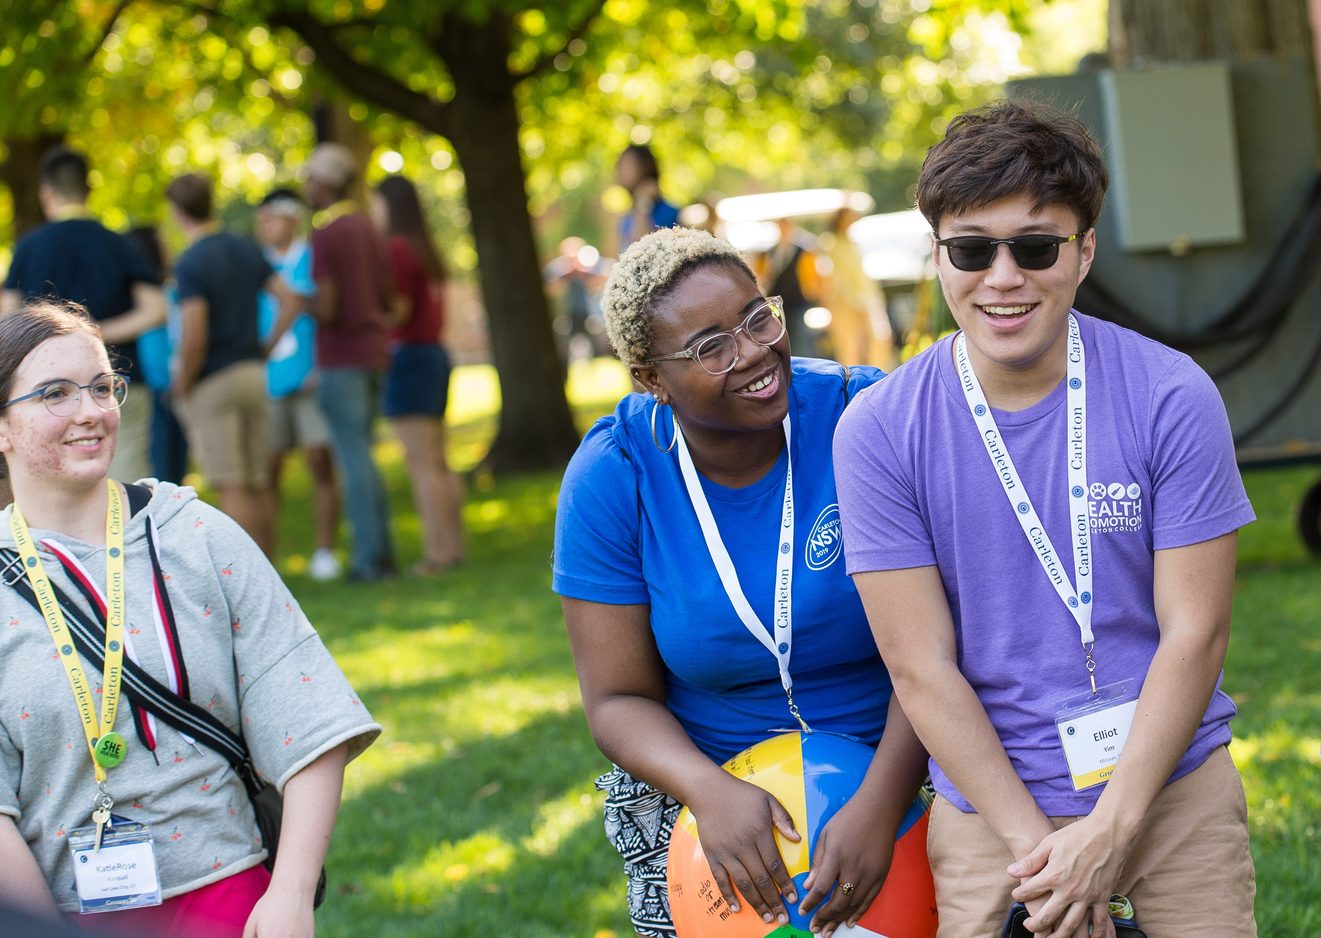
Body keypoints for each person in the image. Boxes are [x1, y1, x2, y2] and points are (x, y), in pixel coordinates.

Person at [833, 100, 1258, 937]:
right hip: (994, 816)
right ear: (936, 255)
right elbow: (921, 671)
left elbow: (1195, 635)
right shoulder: (879, 429)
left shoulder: (1170, 396)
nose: (1002, 277)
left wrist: (1111, 830)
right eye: (970, 249)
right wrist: (1047, 863)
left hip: (1172, 786)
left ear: (1083, 250)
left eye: (1035, 247)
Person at [554, 226, 928, 938]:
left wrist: (882, 800)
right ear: (650, 379)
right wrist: (709, 793)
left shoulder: (863, 414)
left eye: (757, 318)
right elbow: (616, 699)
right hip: (709, 788)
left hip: (907, 754)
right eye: (710, 347)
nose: (754, 352)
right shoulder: (615, 474)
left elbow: (942, 643)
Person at [0, 301, 380, 935]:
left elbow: (311, 721)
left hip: (229, 895)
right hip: (64, 917)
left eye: (102, 387)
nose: (91, 411)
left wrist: (288, 894)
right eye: (55, 394)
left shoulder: (197, 535)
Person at [2, 145, 167, 485]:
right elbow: (156, 308)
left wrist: (71, 334)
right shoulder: (119, 243)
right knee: (124, 485)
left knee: (47, 483)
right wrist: (96, 333)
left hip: (44, 391)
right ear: (88, 189)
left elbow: (7, 316)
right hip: (118, 383)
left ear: (46, 192)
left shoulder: (30, 245)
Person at [165, 173, 300, 558]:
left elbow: (194, 335)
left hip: (214, 381)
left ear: (177, 212)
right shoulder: (245, 248)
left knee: (232, 484)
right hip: (254, 375)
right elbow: (289, 301)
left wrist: (183, 383)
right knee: (259, 481)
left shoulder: (190, 262)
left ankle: (248, 577)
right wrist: (264, 349)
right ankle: (270, 571)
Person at [302, 143, 396, 583]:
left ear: (322, 183)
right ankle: (384, 552)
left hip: (341, 356)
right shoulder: (368, 228)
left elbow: (329, 307)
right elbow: (387, 297)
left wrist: (293, 301)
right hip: (374, 352)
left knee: (352, 456)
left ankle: (368, 558)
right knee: (366, 453)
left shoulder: (326, 233)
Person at [370, 175, 465, 575]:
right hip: (433, 355)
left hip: (409, 357)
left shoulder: (397, 250)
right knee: (438, 460)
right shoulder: (424, 248)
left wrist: (369, 319)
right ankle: (454, 547)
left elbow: (400, 312)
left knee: (422, 464)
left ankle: (437, 554)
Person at [255, 188, 342, 582]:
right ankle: (265, 559)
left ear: (292, 218)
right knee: (269, 469)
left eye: (271, 217)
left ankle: (326, 550)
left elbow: (328, 312)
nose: (264, 226)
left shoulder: (312, 259)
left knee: (319, 461)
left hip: (310, 377)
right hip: (269, 380)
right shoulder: (258, 265)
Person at [124, 225, 190, 485]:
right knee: (169, 468)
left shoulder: (137, 300)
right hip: (166, 389)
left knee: (161, 468)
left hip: (156, 389)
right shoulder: (167, 295)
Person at [819, 204, 895, 371]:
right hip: (844, 304)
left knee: (880, 339)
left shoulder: (853, 242)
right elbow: (832, 278)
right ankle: (852, 387)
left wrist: (871, 300)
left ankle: (879, 378)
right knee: (849, 348)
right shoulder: (830, 243)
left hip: (866, 300)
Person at [753, 217, 822, 358]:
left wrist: (812, 294)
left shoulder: (802, 251)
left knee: (801, 339)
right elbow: (763, 276)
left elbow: (811, 278)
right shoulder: (770, 252)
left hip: (797, 303)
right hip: (778, 305)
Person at [614, 143, 680, 255]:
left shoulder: (669, 213)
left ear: (645, 166)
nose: (618, 169)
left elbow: (641, 249)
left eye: (625, 163)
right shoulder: (628, 216)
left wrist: (644, 202)